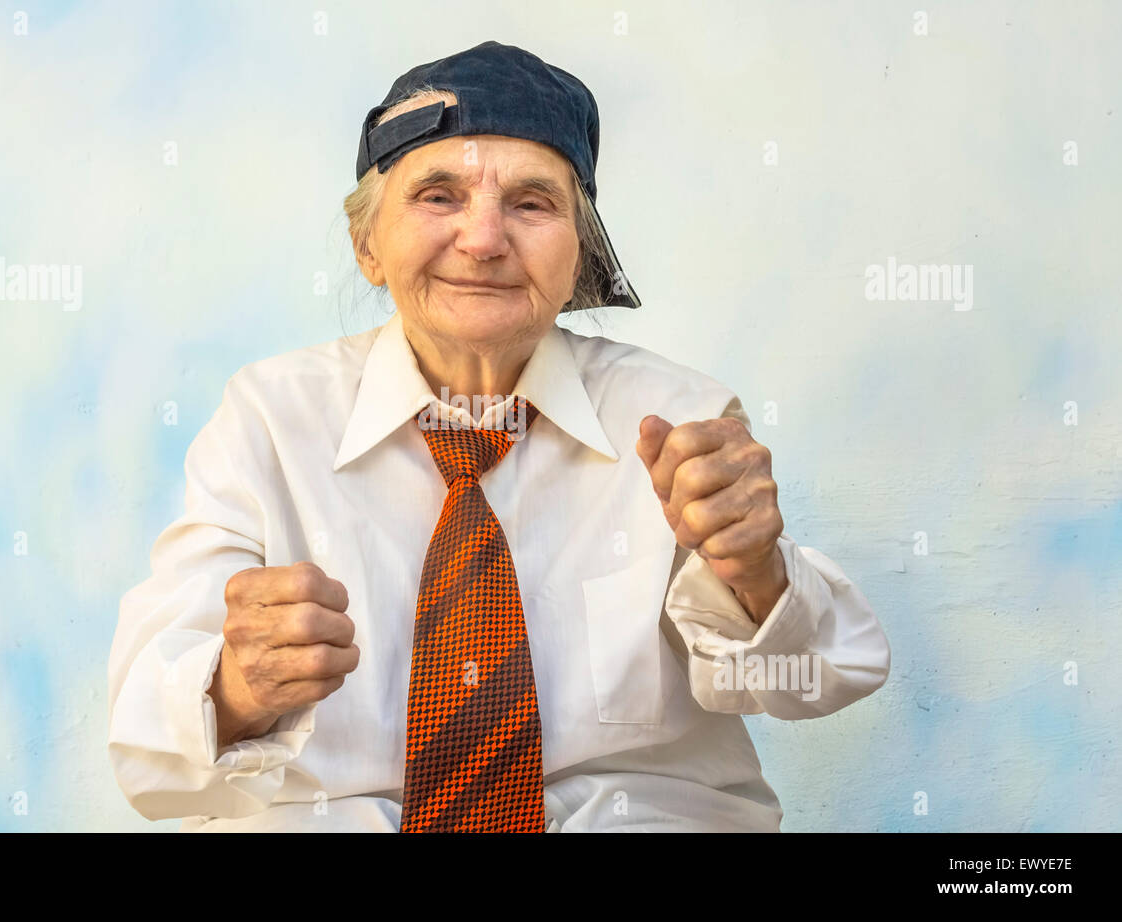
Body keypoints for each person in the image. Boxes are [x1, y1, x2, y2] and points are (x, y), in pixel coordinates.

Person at [107, 40, 890, 832]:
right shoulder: (269, 419)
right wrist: (237, 691)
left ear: (578, 250)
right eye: (439, 196)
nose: (483, 240)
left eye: (531, 203)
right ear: (367, 248)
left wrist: (756, 571)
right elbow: (146, 755)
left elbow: (814, 685)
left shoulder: (680, 419)